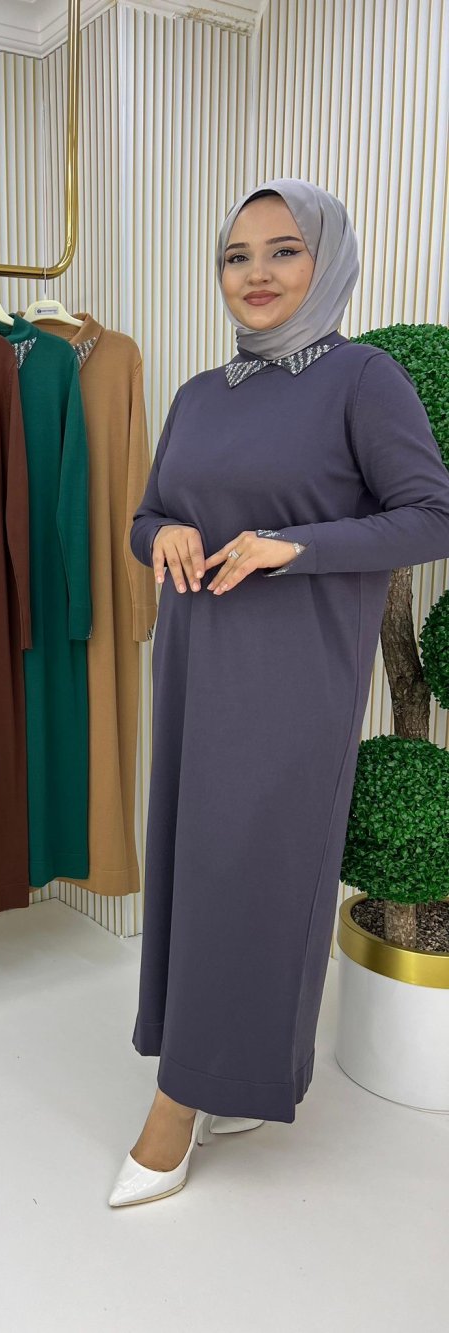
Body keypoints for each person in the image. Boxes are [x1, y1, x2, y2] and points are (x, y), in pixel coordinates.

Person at [109, 178, 449, 1208]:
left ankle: (178, 1103)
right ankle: (239, 1073)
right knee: (197, 869)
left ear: (326, 260)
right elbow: (147, 516)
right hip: (194, 666)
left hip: (292, 679)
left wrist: (291, 546)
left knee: (252, 873)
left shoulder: (362, 378)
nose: (255, 274)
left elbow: (430, 515)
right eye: (236, 255)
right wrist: (163, 532)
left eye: (283, 250)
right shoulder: (199, 395)